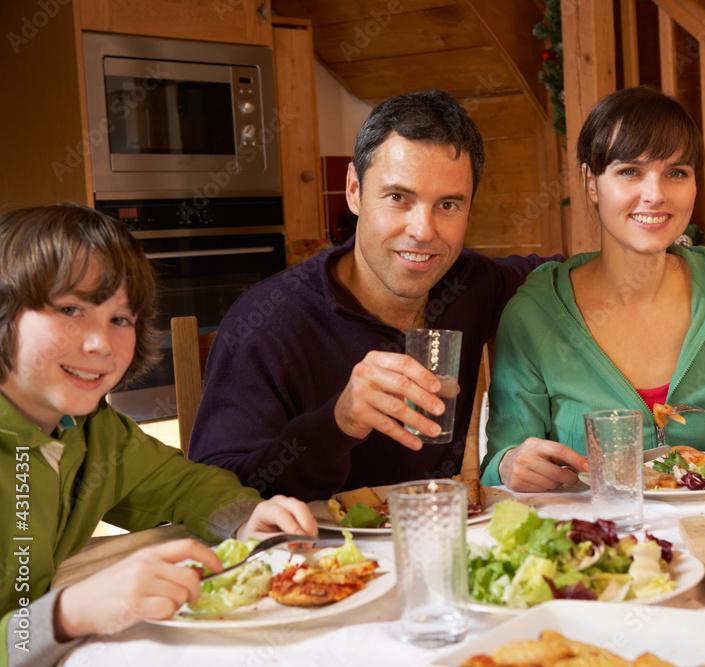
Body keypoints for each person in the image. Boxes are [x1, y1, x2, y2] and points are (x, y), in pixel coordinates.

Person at [188, 89, 558, 500]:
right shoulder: (267, 321)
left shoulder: (470, 281)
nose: (424, 231)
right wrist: (338, 421)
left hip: (439, 542)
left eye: (449, 205)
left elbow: (577, 275)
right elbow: (215, 497)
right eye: (398, 198)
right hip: (315, 558)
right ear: (353, 190)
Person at [0, 204, 317, 666]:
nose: (100, 343)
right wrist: (70, 612)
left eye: (120, 319)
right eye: (70, 309)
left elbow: (183, 485)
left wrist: (247, 519)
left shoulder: (91, 432)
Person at [481, 86, 705, 492]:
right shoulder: (533, 313)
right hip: (595, 546)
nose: (655, 195)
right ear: (591, 182)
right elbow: (500, 467)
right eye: (630, 171)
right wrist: (510, 464)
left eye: (676, 173)